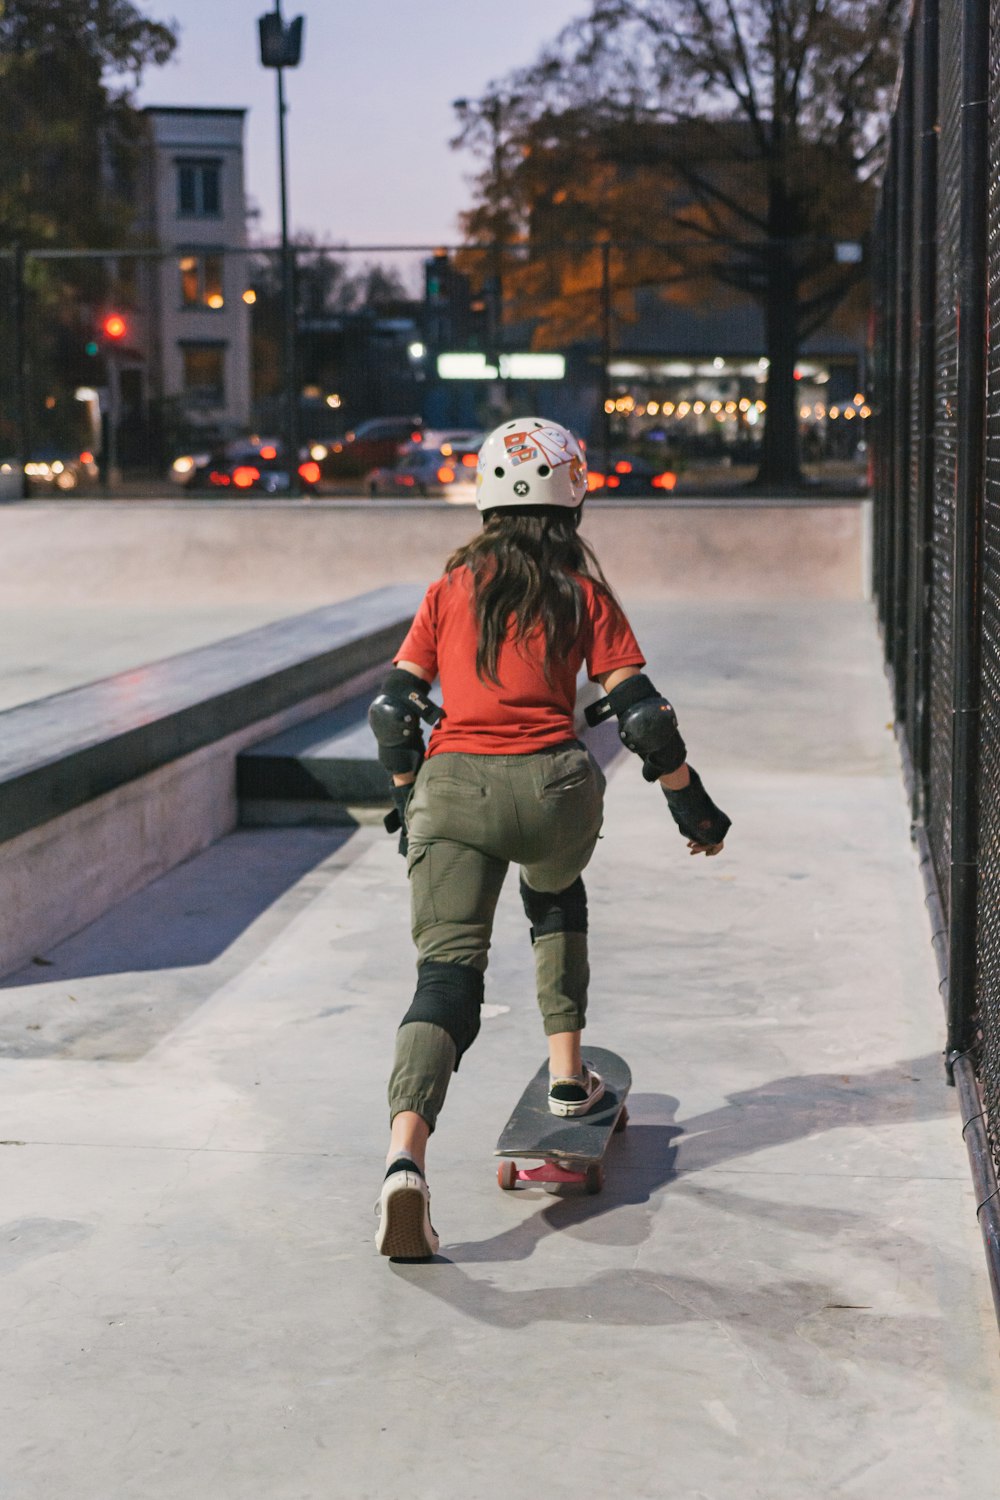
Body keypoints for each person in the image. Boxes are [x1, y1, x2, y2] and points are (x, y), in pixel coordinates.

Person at [369, 416, 730, 1259]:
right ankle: (569, 1077)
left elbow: (393, 712)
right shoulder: (579, 589)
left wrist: (404, 798)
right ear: (573, 491)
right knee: (554, 890)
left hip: (451, 788)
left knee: (445, 977)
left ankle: (404, 1161)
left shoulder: (452, 586)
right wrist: (691, 805)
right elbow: (643, 714)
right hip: (556, 791)